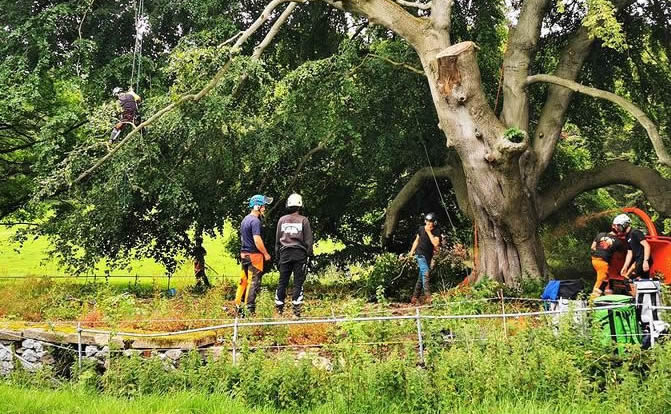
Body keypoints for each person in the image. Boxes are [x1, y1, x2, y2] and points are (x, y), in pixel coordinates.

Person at [274, 193, 314, 317]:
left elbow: (277, 240)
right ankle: (296, 311)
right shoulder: (304, 220)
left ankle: (279, 308)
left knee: (282, 281)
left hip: (284, 253)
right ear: (300, 205)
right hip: (299, 254)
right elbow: (308, 240)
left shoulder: (282, 220)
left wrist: (277, 256)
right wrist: (309, 254)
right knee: (298, 282)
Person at [235, 194, 273, 315]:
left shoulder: (245, 220)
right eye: (263, 206)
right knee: (253, 283)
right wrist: (266, 254)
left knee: (243, 281)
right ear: (257, 207)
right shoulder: (255, 221)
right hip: (254, 256)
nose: (264, 208)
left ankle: (238, 307)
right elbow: (257, 240)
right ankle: (249, 310)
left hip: (244, 255)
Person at [407, 213, 441, 305]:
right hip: (420, 254)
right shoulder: (421, 229)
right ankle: (428, 297)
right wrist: (411, 252)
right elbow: (416, 241)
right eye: (427, 222)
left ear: (434, 223)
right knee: (425, 272)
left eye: (431, 222)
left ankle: (414, 297)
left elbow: (435, 243)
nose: (429, 224)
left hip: (428, 256)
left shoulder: (436, 231)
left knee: (421, 276)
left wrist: (429, 232)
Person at [615, 214, 653, 280]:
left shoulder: (636, 233)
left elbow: (647, 246)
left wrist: (645, 261)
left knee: (631, 280)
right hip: (637, 261)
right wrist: (625, 266)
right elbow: (630, 252)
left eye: (618, 225)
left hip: (643, 260)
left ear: (624, 224)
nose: (617, 228)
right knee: (632, 280)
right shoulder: (627, 236)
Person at [589, 228, 624, 298]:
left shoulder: (600, 234)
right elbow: (621, 256)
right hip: (603, 262)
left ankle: (608, 297)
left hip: (594, 260)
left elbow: (592, 247)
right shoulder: (618, 242)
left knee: (606, 279)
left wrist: (599, 253)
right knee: (600, 280)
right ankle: (591, 302)